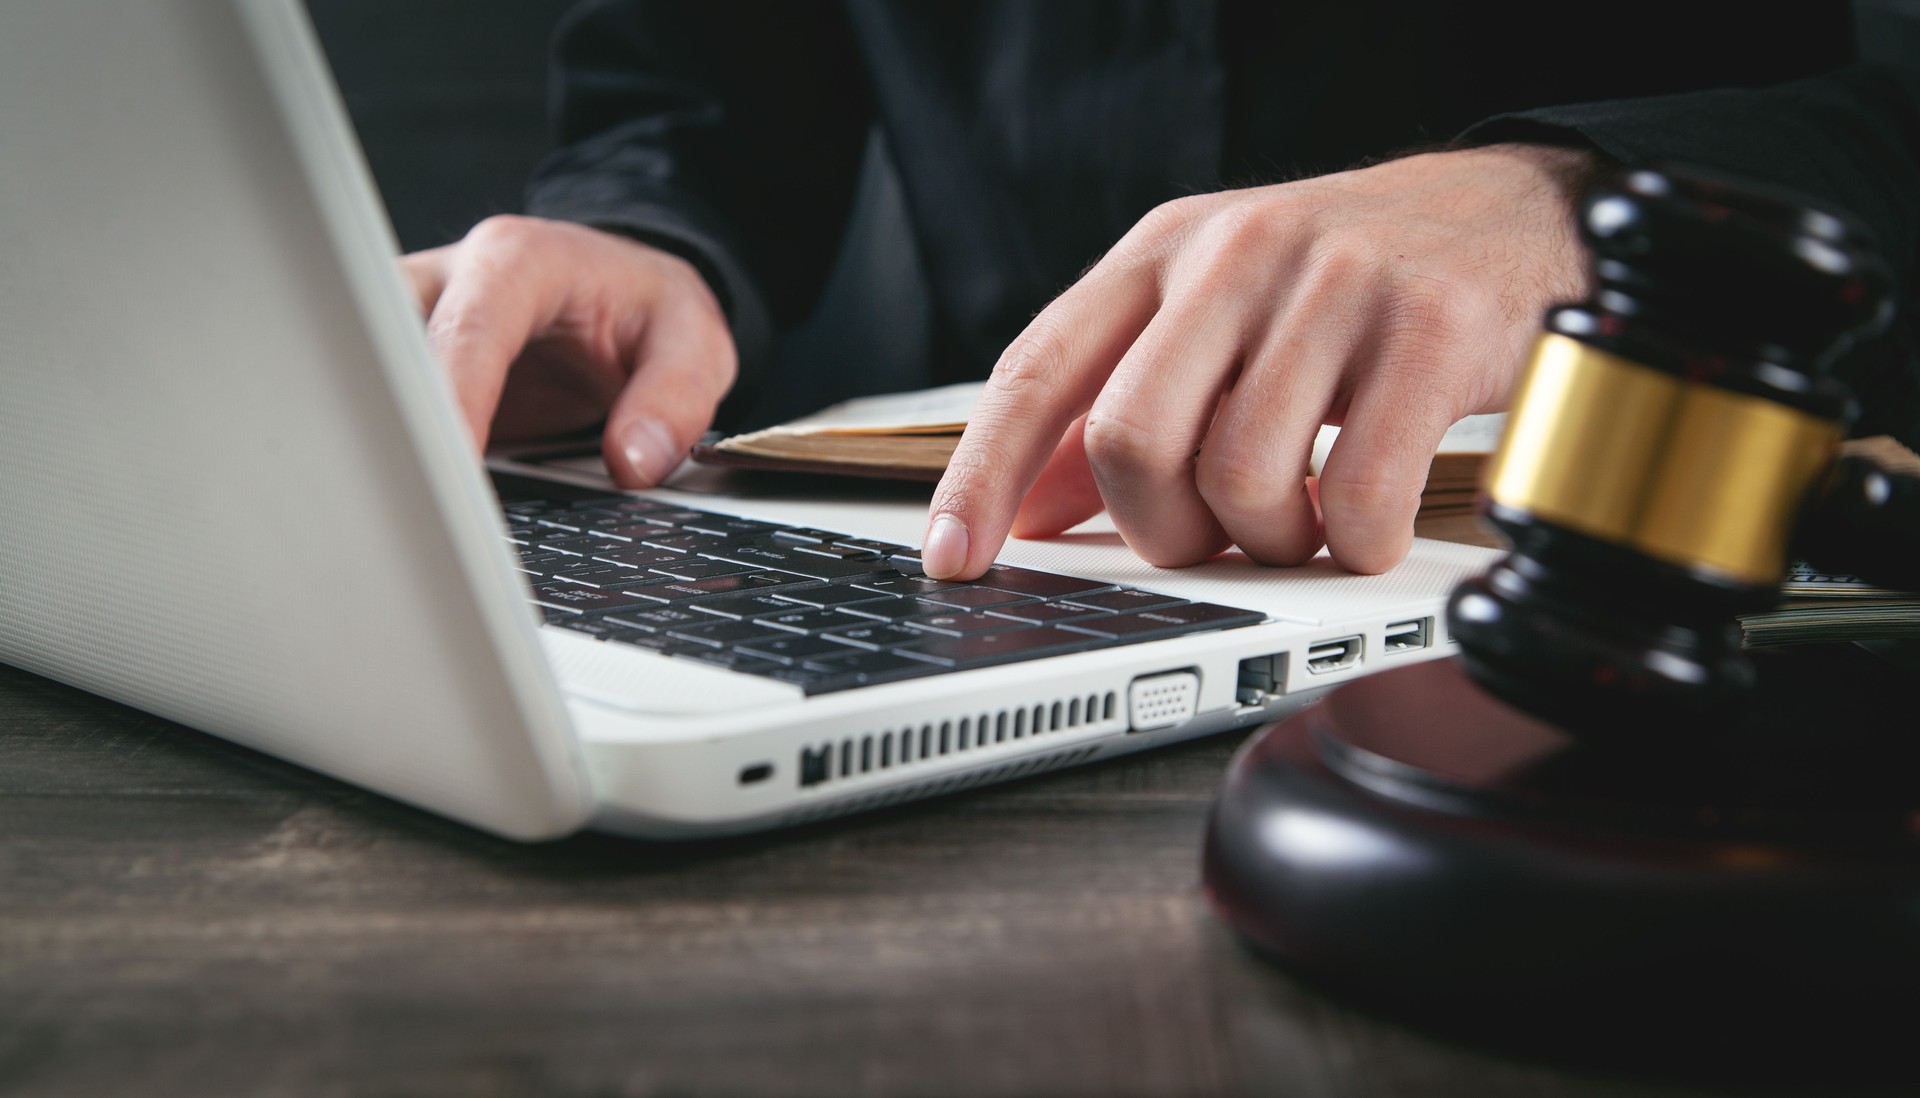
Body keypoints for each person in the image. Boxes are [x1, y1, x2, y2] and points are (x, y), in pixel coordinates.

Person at [402, 1, 1920, 581]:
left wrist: (1589, 206)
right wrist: (646, 237)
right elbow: (705, 79)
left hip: (1703, 540)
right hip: (1014, 552)